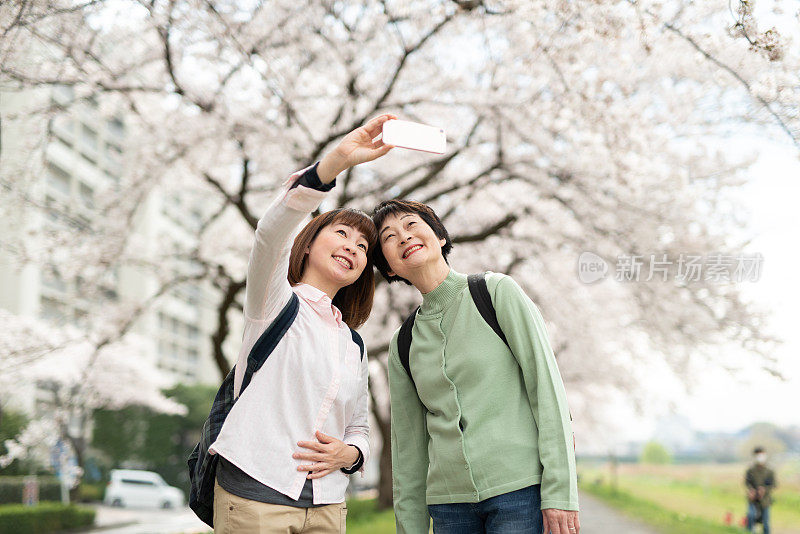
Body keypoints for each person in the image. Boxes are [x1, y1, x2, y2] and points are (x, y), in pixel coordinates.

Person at [207, 113, 397, 533]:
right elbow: (270, 235)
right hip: (255, 494)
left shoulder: (354, 345)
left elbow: (359, 426)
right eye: (343, 234)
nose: (353, 247)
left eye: (363, 246)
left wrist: (351, 456)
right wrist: (335, 164)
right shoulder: (274, 303)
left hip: (329, 506)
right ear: (308, 243)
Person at [371, 199, 580, 534]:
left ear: (439, 236)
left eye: (412, 225)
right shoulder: (402, 343)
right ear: (390, 268)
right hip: (448, 508)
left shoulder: (496, 293)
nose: (404, 237)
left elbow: (548, 390)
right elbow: (408, 448)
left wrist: (560, 492)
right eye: (389, 237)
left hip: (519, 494)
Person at [746, 446, 776, 534]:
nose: (759, 457)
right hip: (753, 499)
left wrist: (764, 490)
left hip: (765, 500)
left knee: (766, 523)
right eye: (757, 455)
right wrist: (751, 490)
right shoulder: (750, 470)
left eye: (761, 455)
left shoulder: (769, 471)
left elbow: (773, 484)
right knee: (751, 517)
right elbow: (747, 482)